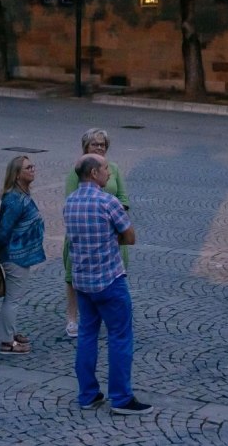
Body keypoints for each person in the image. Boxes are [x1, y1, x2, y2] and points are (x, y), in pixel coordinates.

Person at [64, 153, 152, 415]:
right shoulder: (108, 202)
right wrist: (111, 240)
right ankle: (122, 397)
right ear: (93, 173)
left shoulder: (69, 202)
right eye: (105, 169)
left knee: (87, 335)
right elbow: (130, 236)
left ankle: (88, 394)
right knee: (120, 336)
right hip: (109, 279)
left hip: (82, 280)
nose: (109, 173)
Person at [63, 128, 129, 338]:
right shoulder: (79, 169)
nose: (100, 147)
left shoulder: (114, 169)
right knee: (74, 277)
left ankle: (103, 317)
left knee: (113, 277)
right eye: (95, 144)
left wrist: (116, 218)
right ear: (86, 147)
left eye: (102, 144)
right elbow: (71, 200)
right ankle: (72, 318)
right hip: (83, 233)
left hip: (112, 233)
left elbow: (124, 199)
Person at [0, 155, 45, 355]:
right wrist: (2, 248)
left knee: (14, 297)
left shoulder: (21, 194)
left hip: (20, 254)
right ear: (16, 175)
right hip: (15, 256)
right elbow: (4, 230)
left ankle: (10, 333)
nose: (33, 170)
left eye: (32, 166)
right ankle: (6, 342)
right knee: (12, 299)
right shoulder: (15, 198)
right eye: (27, 168)